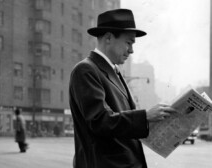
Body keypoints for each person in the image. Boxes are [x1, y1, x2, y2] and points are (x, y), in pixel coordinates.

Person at [69, 9, 177, 168]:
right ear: (108, 38)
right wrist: (145, 116)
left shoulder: (112, 71)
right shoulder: (86, 70)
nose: (132, 50)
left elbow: (120, 123)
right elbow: (100, 121)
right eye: (129, 42)